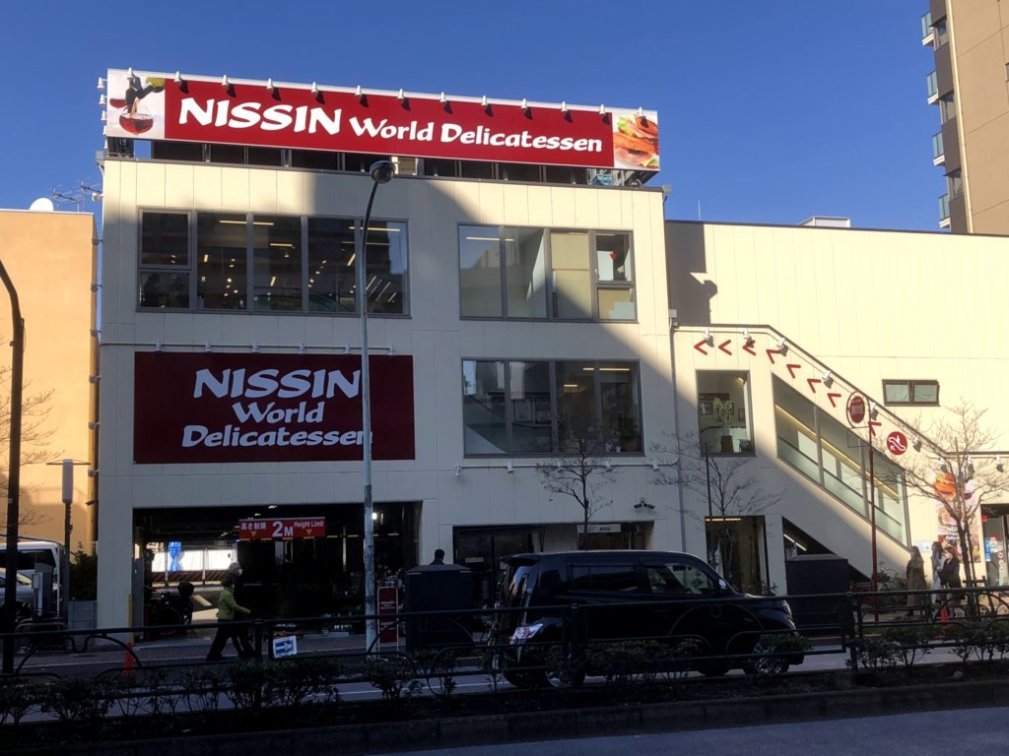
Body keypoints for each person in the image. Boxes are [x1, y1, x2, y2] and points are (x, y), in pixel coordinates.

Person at [206, 575, 254, 661]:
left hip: (224, 618)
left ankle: (214, 654)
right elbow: (234, 606)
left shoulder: (225, 592)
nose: (233, 585)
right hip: (226, 619)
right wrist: (247, 611)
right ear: (230, 584)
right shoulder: (228, 594)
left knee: (222, 639)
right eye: (232, 584)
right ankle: (213, 655)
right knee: (221, 639)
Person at [905, 546, 928, 616]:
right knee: (911, 596)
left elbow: (919, 568)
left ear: (916, 552)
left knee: (920, 595)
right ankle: (910, 610)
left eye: (912, 551)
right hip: (911, 580)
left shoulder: (919, 560)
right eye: (910, 551)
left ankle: (925, 611)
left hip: (918, 580)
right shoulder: (910, 561)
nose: (911, 553)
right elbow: (908, 570)